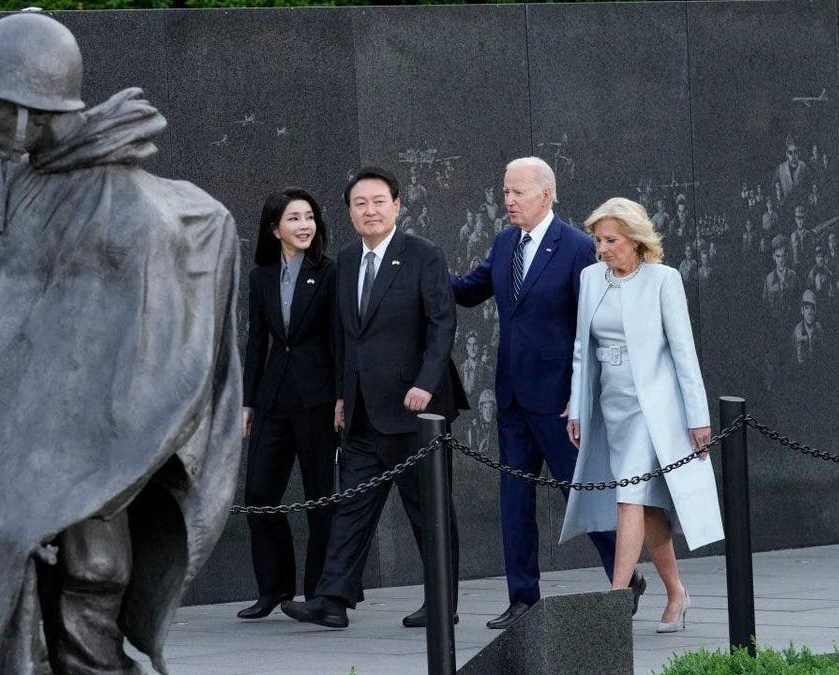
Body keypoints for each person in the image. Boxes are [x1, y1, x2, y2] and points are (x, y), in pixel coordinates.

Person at [0, 12, 239, 675]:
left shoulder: (126, 213)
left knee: (90, 573)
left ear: (36, 110)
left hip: (75, 440)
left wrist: (51, 471)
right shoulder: (0, 178)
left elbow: (136, 380)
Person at [281, 166, 465, 630]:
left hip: (415, 411)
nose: (370, 210)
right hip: (362, 414)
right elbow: (345, 336)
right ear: (349, 212)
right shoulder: (345, 260)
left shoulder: (423, 255)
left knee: (430, 514)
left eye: (379, 201)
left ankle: (442, 604)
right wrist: (344, 395)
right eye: (360, 203)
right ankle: (331, 601)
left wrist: (425, 383)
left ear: (397, 206)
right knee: (350, 510)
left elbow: (442, 324)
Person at [451, 157, 629, 630]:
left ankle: (624, 578)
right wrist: (419, 274)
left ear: (545, 194)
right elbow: (469, 290)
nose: (508, 201)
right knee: (514, 502)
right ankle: (523, 598)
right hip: (511, 398)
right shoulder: (505, 241)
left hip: (560, 402)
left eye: (518, 193)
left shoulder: (575, 247)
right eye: (505, 191)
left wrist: (581, 393)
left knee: (584, 492)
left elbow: (594, 327)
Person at [562, 197, 723, 633]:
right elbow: (582, 348)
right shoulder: (591, 278)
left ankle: (615, 602)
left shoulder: (663, 280)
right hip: (610, 405)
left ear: (636, 240)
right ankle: (676, 592)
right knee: (648, 508)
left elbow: (684, 353)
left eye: (611, 240)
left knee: (629, 497)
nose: (602, 248)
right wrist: (577, 404)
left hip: (653, 410)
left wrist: (698, 417)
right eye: (598, 240)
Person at [238, 187, 336, 620]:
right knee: (259, 493)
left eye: (309, 217)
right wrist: (247, 404)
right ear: (275, 227)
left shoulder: (330, 272)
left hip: (318, 400)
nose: (304, 226)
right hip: (272, 399)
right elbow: (256, 342)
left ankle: (320, 594)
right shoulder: (260, 277)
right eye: (294, 218)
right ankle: (273, 588)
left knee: (320, 498)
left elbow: (340, 341)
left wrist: (342, 397)